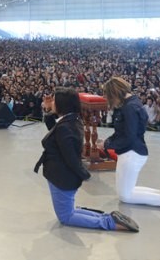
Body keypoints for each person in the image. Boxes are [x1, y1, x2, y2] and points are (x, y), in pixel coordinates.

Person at [34, 87, 139, 232]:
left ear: (62, 104)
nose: (51, 102)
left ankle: (110, 223)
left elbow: (70, 157)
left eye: (54, 100)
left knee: (66, 216)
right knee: (70, 210)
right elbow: (54, 130)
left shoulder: (66, 127)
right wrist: (47, 111)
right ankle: (108, 217)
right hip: (60, 174)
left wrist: (85, 174)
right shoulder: (70, 120)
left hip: (61, 176)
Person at [100, 77, 160, 207]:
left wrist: (107, 144)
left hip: (131, 152)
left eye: (107, 95)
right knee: (127, 191)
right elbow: (123, 132)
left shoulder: (129, 108)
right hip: (134, 151)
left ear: (115, 93)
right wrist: (107, 142)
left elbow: (128, 137)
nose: (105, 98)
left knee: (126, 196)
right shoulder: (133, 103)